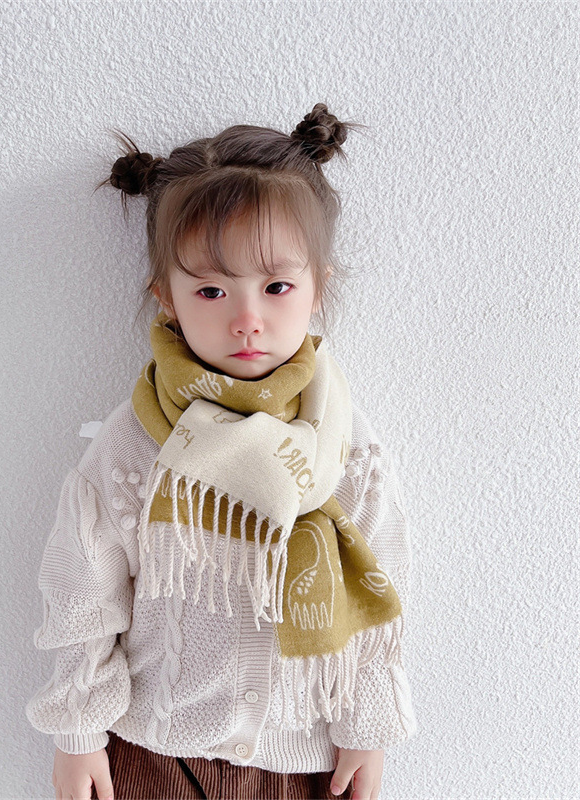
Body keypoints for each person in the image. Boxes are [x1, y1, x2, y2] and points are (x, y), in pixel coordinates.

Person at [26, 104, 418, 800]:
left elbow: (379, 584)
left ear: (318, 288)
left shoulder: (344, 441)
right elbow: (84, 587)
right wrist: (78, 731)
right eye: (210, 289)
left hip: (305, 758)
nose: (246, 319)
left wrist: (368, 725)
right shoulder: (139, 439)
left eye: (277, 287)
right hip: (156, 752)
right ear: (166, 299)